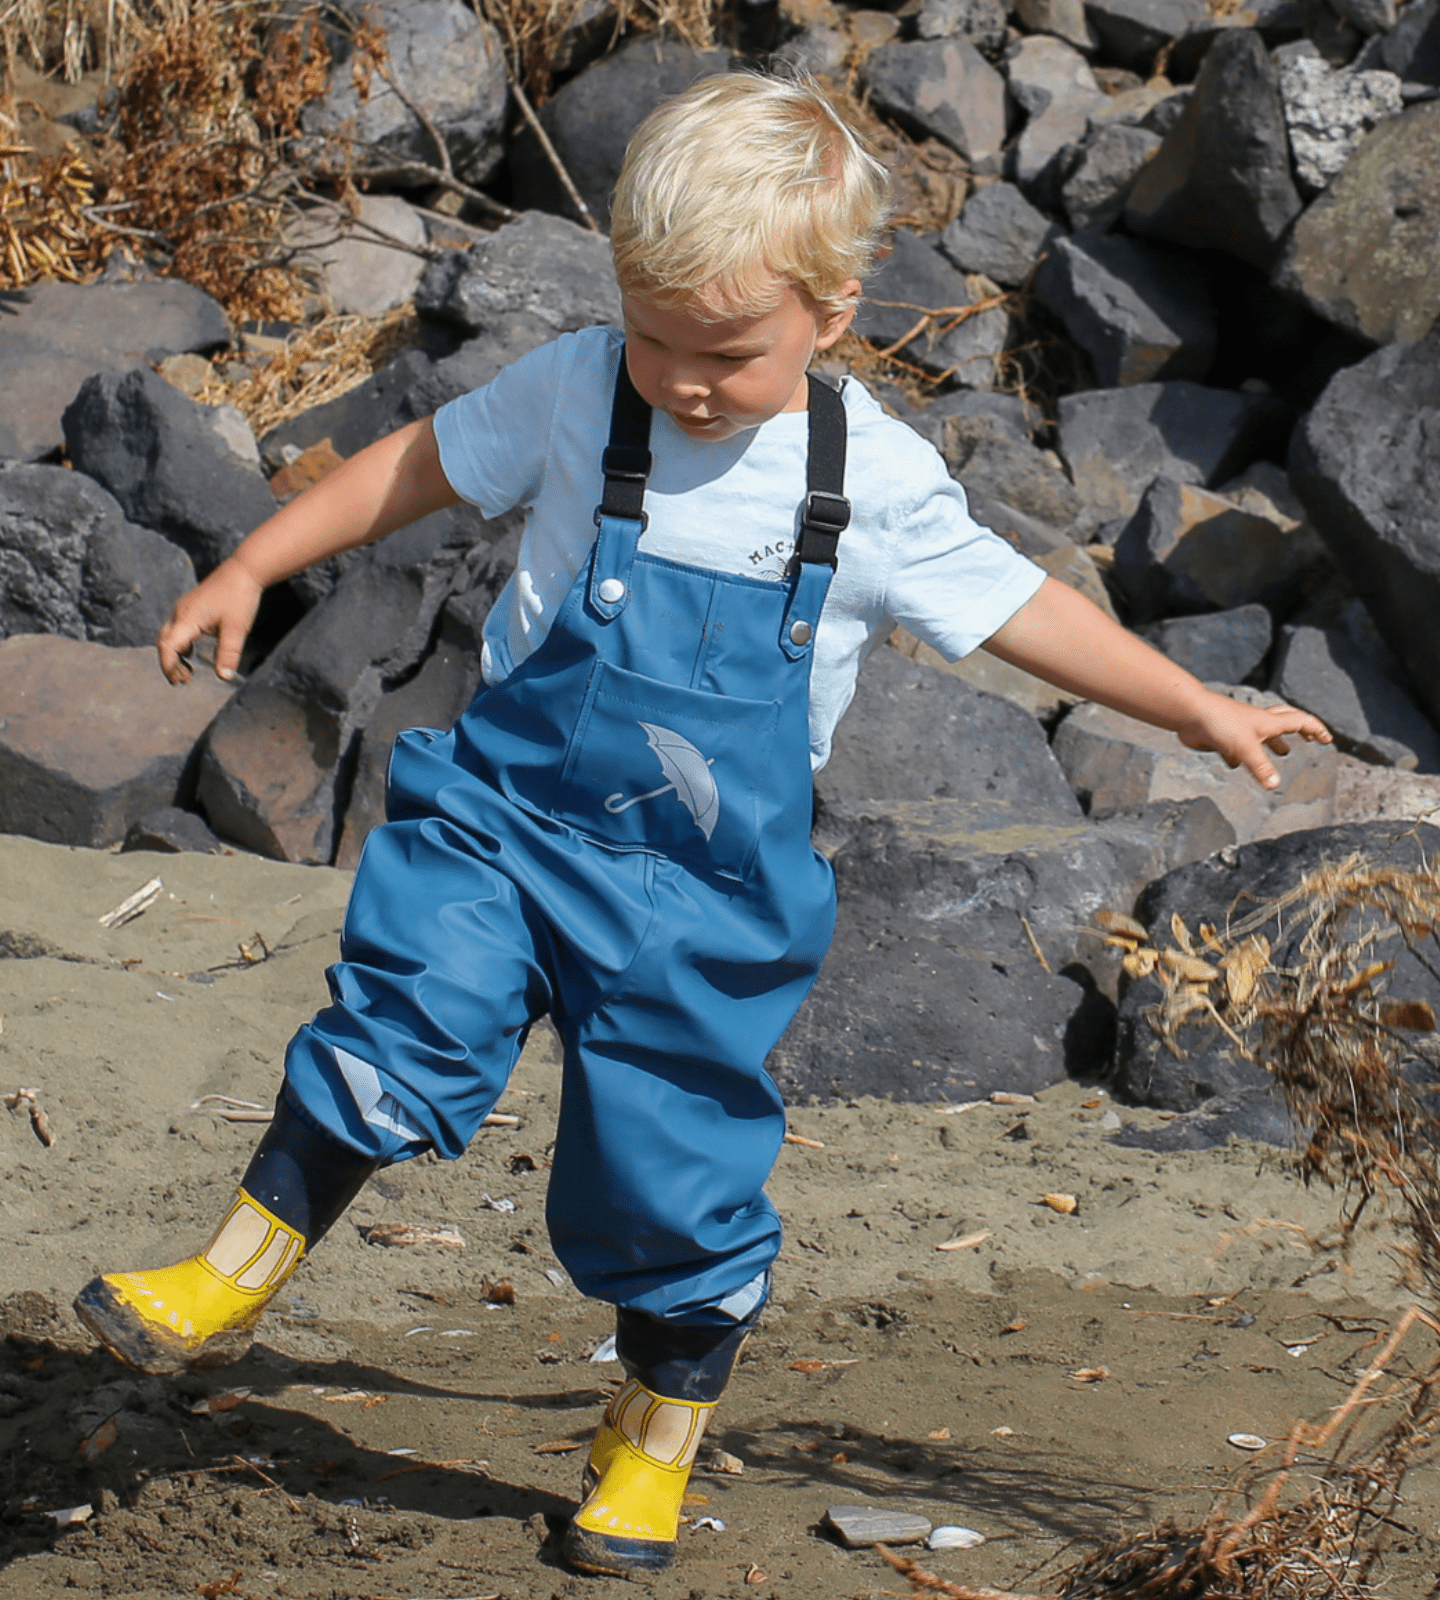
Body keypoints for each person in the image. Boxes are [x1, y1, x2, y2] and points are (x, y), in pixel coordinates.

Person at [73, 71, 1332, 1578]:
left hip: (703, 893)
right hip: (513, 820)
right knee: (404, 1009)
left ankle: (655, 1434)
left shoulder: (866, 479)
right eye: (653, 332)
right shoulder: (579, 387)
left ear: (836, 312)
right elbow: (414, 470)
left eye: (725, 352)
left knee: (671, 1177)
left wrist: (1200, 709)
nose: (678, 379)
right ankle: (228, 1274)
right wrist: (252, 565)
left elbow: (1022, 609)